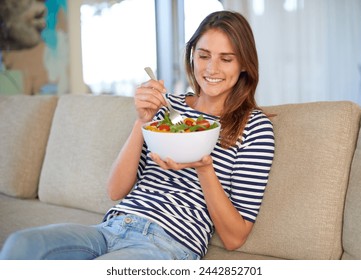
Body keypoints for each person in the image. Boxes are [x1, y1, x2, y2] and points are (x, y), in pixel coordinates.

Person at [0, 10, 274, 260]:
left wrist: (204, 169)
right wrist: (141, 123)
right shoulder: (167, 108)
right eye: (204, 56)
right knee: (22, 245)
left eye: (226, 59)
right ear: (192, 56)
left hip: (170, 244)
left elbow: (234, 237)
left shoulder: (255, 128)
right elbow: (115, 190)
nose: (211, 69)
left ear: (244, 65)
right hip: (111, 227)